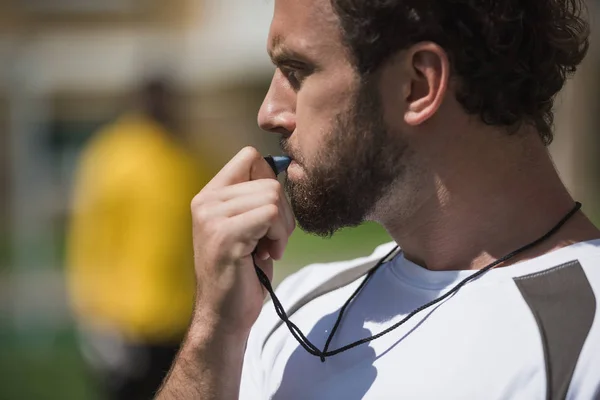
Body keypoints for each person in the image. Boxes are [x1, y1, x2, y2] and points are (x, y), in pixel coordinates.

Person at [157, 0, 600, 398]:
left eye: (297, 72)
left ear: (417, 84)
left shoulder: (585, 340)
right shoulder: (292, 308)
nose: (269, 112)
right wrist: (214, 334)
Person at [66, 78, 210, 399]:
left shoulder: (186, 156)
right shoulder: (112, 155)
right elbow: (89, 240)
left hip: (179, 318)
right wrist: (93, 316)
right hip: (128, 322)